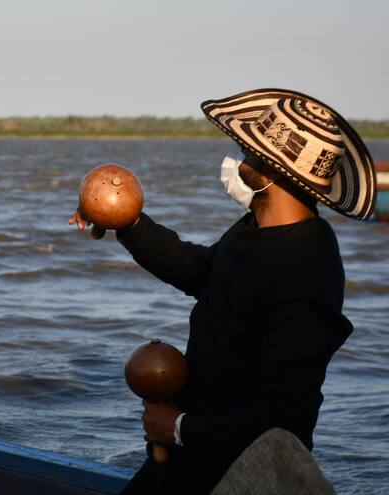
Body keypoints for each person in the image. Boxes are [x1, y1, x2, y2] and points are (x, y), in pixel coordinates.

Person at [70, 88, 376, 494]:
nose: (240, 155)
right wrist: (125, 222)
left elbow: (288, 414)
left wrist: (181, 428)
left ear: (272, 171)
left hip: (238, 475)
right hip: (190, 459)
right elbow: (201, 272)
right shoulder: (257, 227)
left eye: (251, 151)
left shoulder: (304, 273)